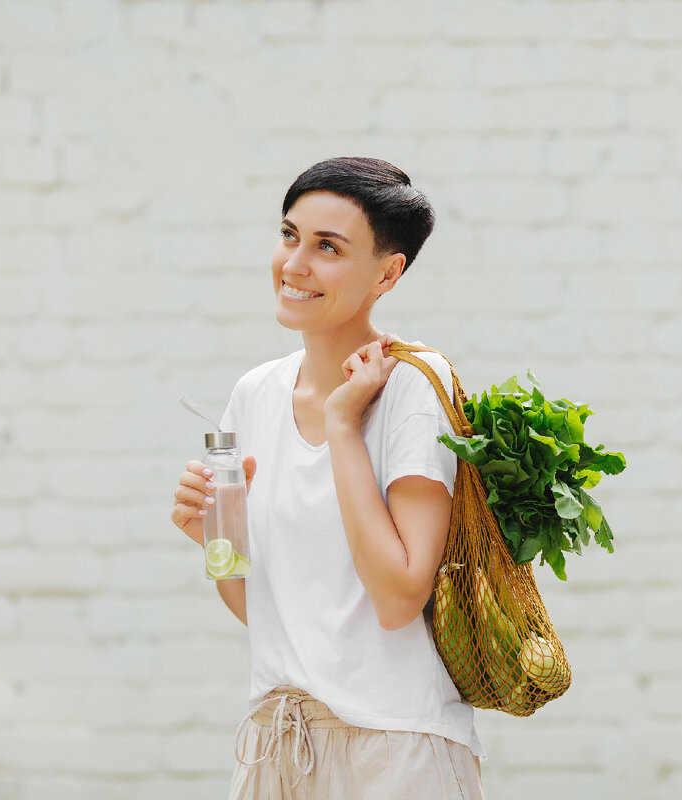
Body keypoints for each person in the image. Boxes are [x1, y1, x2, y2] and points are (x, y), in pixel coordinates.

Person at [169, 157, 485, 799]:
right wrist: (214, 539)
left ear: (388, 273)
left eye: (328, 247)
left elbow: (398, 598)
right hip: (277, 745)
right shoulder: (254, 394)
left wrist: (343, 427)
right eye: (289, 236)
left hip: (392, 753)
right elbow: (269, 612)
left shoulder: (415, 389)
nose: (295, 265)